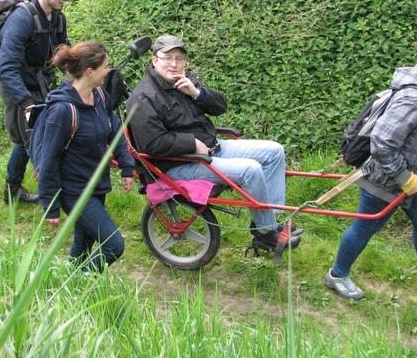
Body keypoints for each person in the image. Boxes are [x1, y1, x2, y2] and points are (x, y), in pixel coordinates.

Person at [325, 27, 417, 300]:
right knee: (365, 227)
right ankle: (337, 275)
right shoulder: (414, 96)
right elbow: (383, 141)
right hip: (386, 180)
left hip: (405, 178)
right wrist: (404, 178)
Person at [126, 34, 301, 252]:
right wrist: (191, 143)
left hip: (212, 148)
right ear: (154, 60)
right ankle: (267, 234)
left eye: (179, 58)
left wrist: (197, 93)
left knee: (275, 151)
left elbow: (221, 107)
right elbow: (151, 144)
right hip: (179, 164)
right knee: (251, 170)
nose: (174, 64)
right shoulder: (144, 97)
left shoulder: (185, 81)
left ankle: (267, 222)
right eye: (167, 58)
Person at [36, 41, 134, 271]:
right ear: (89, 71)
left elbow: (115, 129)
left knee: (84, 241)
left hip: (97, 184)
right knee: (113, 245)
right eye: (105, 67)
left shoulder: (100, 95)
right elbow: (48, 159)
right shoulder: (62, 111)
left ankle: (73, 288)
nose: (108, 71)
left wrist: (127, 166)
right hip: (75, 192)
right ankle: (81, 279)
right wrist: (50, 204)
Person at [0, 0, 70, 204]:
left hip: (42, 82)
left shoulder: (58, 18)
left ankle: (12, 189)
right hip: (18, 86)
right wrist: (27, 103)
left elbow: (63, 54)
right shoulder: (21, 19)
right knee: (34, 139)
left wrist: (77, 78)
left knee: (28, 139)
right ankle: (52, 198)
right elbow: (7, 68)